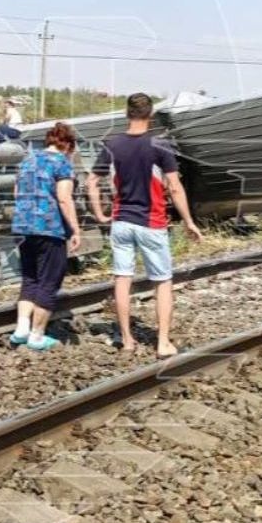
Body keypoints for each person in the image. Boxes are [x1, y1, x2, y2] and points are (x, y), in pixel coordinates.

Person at [86, 92, 202, 358]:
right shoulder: (159, 144)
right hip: (151, 222)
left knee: (122, 279)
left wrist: (100, 214)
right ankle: (162, 343)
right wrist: (188, 221)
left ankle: (127, 340)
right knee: (162, 282)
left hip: (121, 222)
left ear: (127, 113)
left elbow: (91, 182)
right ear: (150, 115)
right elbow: (175, 187)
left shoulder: (112, 145)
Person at [10, 122, 83, 351]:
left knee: (30, 278)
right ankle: (37, 335)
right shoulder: (62, 163)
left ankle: (21, 329)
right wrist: (75, 229)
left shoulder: (28, 161)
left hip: (23, 227)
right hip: (49, 228)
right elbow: (64, 198)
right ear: (68, 145)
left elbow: (16, 192)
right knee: (49, 281)